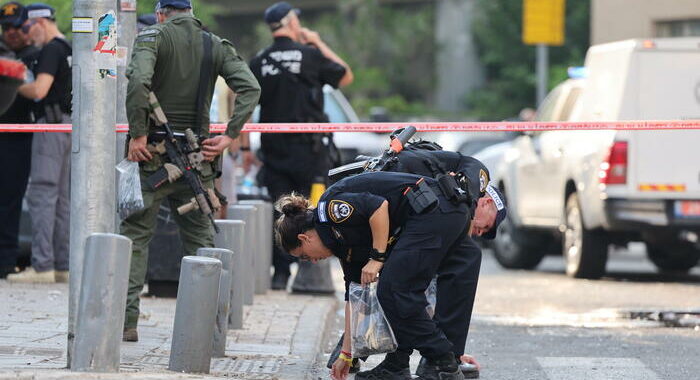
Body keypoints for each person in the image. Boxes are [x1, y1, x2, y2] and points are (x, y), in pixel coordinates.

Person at [275, 170, 504, 380]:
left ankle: (443, 361)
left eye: (305, 255)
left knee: (395, 291)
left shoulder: (331, 210)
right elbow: (354, 299)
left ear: (305, 238)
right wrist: (346, 354)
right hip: (435, 216)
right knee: (396, 293)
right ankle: (401, 364)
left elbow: (378, 206)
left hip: (437, 211)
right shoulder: (340, 244)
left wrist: (377, 257)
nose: (313, 261)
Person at [120, 0, 260, 342]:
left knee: (136, 236)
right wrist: (229, 135)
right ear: (191, 12)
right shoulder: (214, 43)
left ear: (161, 13)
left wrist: (138, 132)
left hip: (151, 154)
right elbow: (250, 88)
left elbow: (139, 81)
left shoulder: (152, 36)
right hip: (197, 159)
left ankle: (126, 321)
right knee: (201, 240)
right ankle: (210, 325)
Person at [248, 1, 353, 290]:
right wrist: (317, 42)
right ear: (291, 23)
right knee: (315, 208)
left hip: (274, 151)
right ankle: (312, 274)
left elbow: (243, 101)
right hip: (311, 154)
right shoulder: (310, 55)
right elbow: (344, 75)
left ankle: (280, 273)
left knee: (281, 211)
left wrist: (244, 148)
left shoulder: (259, 60)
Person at [8, 3, 71, 284]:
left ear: (40, 23)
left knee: (43, 195)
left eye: (25, 27)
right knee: (63, 200)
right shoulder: (69, 47)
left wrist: (9, 82)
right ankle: (62, 265)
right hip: (69, 126)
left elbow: (39, 89)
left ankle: (43, 266)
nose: (24, 34)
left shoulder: (50, 49)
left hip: (51, 126)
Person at [0, 1, 39, 279]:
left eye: (15, 27)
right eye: (5, 27)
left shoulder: (35, 55)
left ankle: (5, 261)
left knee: (11, 201)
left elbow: (37, 92)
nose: (11, 32)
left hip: (17, 138)